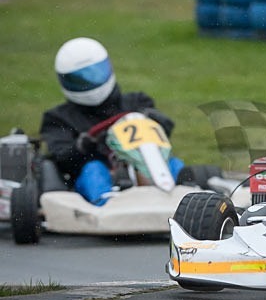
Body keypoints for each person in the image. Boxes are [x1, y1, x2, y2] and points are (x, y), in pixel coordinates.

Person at [39, 37, 184, 205]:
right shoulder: (58, 118)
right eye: (80, 79)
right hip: (100, 177)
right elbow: (61, 158)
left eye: (95, 73)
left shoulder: (137, 102)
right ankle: (107, 206)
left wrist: (156, 119)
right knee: (93, 169)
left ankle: (188, 199)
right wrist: (82, 147)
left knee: (174, 164)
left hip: (143, 167)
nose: (90, 80)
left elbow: (163, 133)